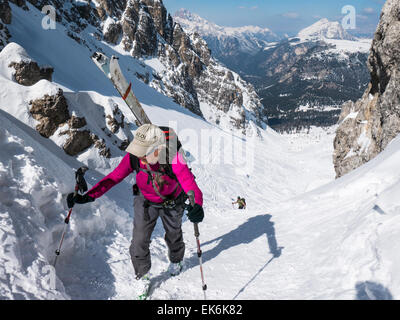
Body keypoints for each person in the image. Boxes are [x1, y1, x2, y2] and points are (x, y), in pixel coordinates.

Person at [67, 124, 204, 287]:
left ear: (158, 150)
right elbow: (114, 177)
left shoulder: (174, 158)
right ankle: (142, 274)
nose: (140, 158)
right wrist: (89, 196)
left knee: (174, 234)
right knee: (139, 239)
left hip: (173, 201)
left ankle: (176, 261)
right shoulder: (134, 157)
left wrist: (198, 206)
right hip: (145, 201)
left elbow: (190, 184)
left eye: (144, 154)